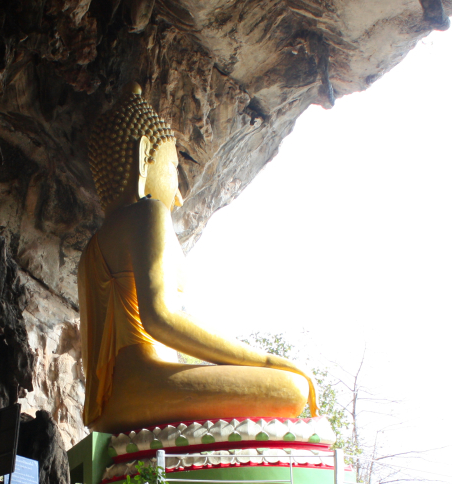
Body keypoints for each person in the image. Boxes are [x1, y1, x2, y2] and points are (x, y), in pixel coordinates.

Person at [78, 83, 317, 434]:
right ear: (145, 155)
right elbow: (161, 320)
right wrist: (266, 360)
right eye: (174, 167)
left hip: (108, 407)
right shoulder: (147, 214)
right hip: (144, 386)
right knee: (290, 389)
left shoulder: (89, 251)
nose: (179, 194)